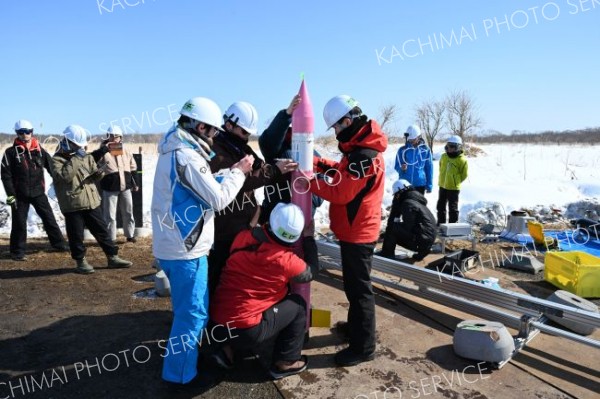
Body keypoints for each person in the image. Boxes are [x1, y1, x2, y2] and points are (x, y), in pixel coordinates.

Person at [151, 97, 254, 386]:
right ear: (199, 126)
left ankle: (183, 365)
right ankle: (179, 377)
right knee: (192, 316)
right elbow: (219, 199)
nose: (214, 136)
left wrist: (223, 174)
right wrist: (238, 172)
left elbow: (200, 185)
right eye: (212, 131)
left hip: (175, 245)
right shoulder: (187, 156)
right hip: (186, 249)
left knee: (190, 311)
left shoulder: (176, 150)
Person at [307, 95, 388, 367]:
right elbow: (342, 175)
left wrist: (310, 181)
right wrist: (319, 165)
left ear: (348, 120)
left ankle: (363, 347)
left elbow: (341, 192)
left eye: (337, 128)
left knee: (359, 291)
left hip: (359, 233)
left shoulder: (363, 156)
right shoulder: (359, 150)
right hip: (355, 230)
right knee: (354, 288)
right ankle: (356, 330)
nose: (337, 133)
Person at [210, 203, 317, 379]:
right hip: (247, 331)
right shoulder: (286, 260)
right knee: (298, 305)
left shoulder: (242, 238)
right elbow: (310, 272)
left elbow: (252, 230)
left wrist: (257, 214)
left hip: (216, 324)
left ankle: (225, 351)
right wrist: (309, 239)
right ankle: (285, 362)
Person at [208, 101, 297, 296]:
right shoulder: (216, 150)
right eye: (244, 132)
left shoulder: (239, 147)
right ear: (229, 124)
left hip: (245, 223)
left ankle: (233, 311)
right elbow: (239, 181)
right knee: (220, 271)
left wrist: (280, 169)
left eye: (249, 134)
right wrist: (274, 171)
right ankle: (214, 318)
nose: (246, 137)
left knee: (238, 272)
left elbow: (260, 167)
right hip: (225, 226)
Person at [52, 125, 132, 274]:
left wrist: (99, 172)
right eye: (77, 145)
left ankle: (112, 257)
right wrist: (77, 157)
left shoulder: (84, 156)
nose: (80, 148)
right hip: (73, 205)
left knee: (102, 231)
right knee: (76, 235)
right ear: (68, 142)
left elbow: (92, 172)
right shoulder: (57, 159)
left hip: (91, 201)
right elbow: (65, 176)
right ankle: (80, 262)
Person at [258, 94, 323, 269]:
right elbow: (267, 140)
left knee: (297, 266)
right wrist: (286, 114)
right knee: (275, 267)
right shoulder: (277, 150)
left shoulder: (313, 154)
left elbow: (323, 182)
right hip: (275, 220)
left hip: (302, 223)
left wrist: (313, 203)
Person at [1, 120, 69, 261]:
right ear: (17, 133)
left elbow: (51, 168)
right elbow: (5, 176)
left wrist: (61, 183)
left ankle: (59, 244)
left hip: (38, 192)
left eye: (28, 131)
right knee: (19, 222)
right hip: (19, 195)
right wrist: (11, 195)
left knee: (49, 218)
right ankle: (17, 252)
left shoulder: (39, 150)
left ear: (32, 131)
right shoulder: (10, 153)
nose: (25, 135)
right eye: (21, 132)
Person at [378, 179, 437, 261]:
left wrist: (390, 232)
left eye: (397, 195)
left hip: (422, 242)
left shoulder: (408, 203)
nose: (396, 197)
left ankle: (387, 253)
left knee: (393, 228)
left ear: (400, 192)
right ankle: (422, 251)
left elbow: (408, 226)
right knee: (395, 227)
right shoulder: (415, 201)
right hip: (427, 241)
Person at [99, 125, 138, 243]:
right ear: (108, 137)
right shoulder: (102, 150)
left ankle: (130, 235)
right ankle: (110, 238)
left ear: (120, 137)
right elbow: (96, 166)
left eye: (116, 137)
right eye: (112, 136)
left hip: (125, 186)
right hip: (110, 187)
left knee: (128, 211)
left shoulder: (126, 150)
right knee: (110, 215)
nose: (114, 139)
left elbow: (133, 167)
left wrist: (135, 183)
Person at [437, 135, 468, 224]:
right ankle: (440, 224)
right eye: (448, 146)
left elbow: (464, 174)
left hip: (454, 188)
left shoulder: (462, 160)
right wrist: (443, 179)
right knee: (440, 206)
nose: (449, 148)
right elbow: (441, 167)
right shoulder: (444, 157)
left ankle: (453, 226)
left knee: (453, 208)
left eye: (452, 146)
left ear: (458, 147)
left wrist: (455, 181)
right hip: (442, 186)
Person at [394, 124, 433, 194]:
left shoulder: (426, 150)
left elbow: (429, 168)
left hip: (420, 184)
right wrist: (401, 169)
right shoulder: (402, 150)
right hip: (405, 184)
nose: (411, 141)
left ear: (419, 137)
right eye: (409, 139)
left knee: (418, 204)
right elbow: (397, 166)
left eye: (413, 139)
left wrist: (429, 185)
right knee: (405, 204)